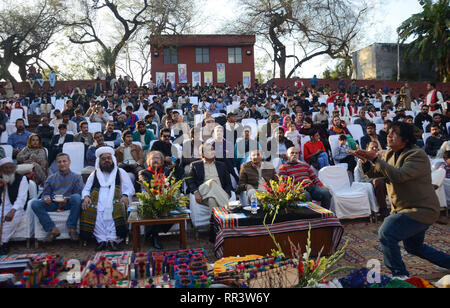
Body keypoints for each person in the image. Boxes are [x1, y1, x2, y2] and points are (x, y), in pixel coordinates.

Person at [350, 121, 450, 278]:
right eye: (389, 132)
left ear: (405, 139)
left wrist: (375, 159)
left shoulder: (417, 155)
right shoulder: (390, 154)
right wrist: (365, 161)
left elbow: (399, 176)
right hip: (403, 208)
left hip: (421, 209)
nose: (388, 135)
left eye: (394, 133)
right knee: (414, 247)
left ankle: (400, 274)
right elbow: (374, 173)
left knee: (387, 232)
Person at [81, 147, 135, 251]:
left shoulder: (120, 172)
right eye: (103, 159)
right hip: (98, 202)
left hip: (116, 200)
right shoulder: (94, 174)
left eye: (109, 158)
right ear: (99, 161)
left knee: (117, 209)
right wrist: (86, 197)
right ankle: (101, 240)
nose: (106, 160)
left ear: (113, 159)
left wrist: (125, 195)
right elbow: (86, 189)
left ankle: (113, 240)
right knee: (92, 210)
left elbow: (130, 189)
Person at [31, 153, 83, 243]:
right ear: (56, 164)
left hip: (69, 203)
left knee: (77, 198)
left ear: (69, 162)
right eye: (59, 162)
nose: (62, 164)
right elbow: (45, 194)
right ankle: (52, 229)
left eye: (64, 161)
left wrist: (67, 198)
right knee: (35, 203)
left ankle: (72, 228)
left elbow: (79, 193)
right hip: (54, 203)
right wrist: (46, 198)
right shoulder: (51, 178)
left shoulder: (77, 177)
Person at [138, 151, 173, 249]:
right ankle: (155, 236)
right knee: (154, 205)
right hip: (151, 197)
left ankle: (150, 233)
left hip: (165, 198)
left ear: (162, 161)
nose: (155, 160)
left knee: (167, 204)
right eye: (153, 158)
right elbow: (145, 183)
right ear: (148, 161)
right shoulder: (143, 172)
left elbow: (173, 183)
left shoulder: (167, 171)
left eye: (158, 158)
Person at [187, 143, 233, 210]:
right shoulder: (195, 165)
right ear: (202, 154)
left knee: (212, 200)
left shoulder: (222, 165)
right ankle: (228, 209)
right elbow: (190, 181)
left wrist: (228, 193)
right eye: (209, 150)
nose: (212, 152)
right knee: (212, 182)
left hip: (218, 192)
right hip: (203, 190)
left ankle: (215, 219)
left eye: (213, 149)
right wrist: (196, 192)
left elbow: (228, 183)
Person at [0, 158, 29, 255]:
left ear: (14, 168)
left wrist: (12, 211)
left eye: (11, 168)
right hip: (1, 207)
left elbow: (21, 199)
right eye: (5, 168)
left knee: (10, 219)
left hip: (17, 207)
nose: (8, 170)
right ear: (1, 170)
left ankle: (3, 243)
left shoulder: (21, 179)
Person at [353, 141, 389, 218]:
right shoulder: (362, 160)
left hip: (382, 180)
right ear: (367, 148)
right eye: (372, 147)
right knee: (378, 181)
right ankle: (383, 209)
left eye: (376, 147)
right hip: (368, 181)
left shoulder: (381, 158)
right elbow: (365, 175)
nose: (375, 148)